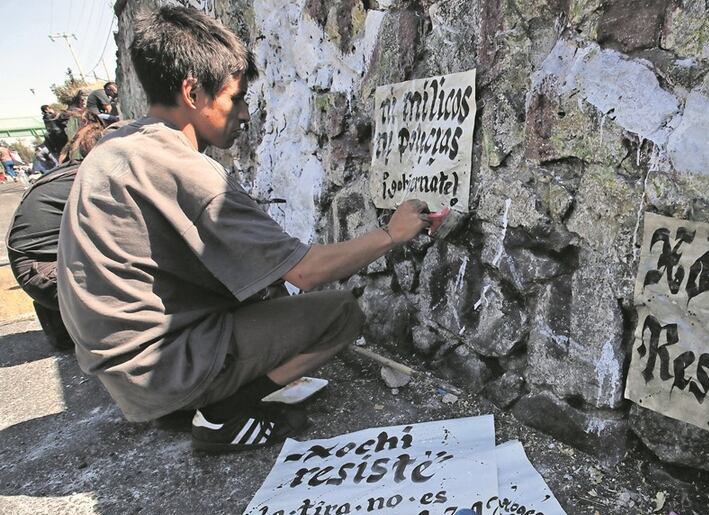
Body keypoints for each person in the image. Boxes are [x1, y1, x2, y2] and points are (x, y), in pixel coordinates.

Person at [57, 6, 440, 453]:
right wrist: (392, 234)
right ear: (193, 91)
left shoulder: (121, 144)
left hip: (122, 367)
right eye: (235, 98)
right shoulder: (186, 170)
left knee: (266, 291)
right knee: (341, 314)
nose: (243, 114)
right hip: (160, 371)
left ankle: (202, 393)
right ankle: (223, 413)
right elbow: (307, 273)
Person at [7, 123, 106, 349]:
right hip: (44, 273)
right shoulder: (92, 178)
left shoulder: (69, 172)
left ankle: (61, 321)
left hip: (33, 268)